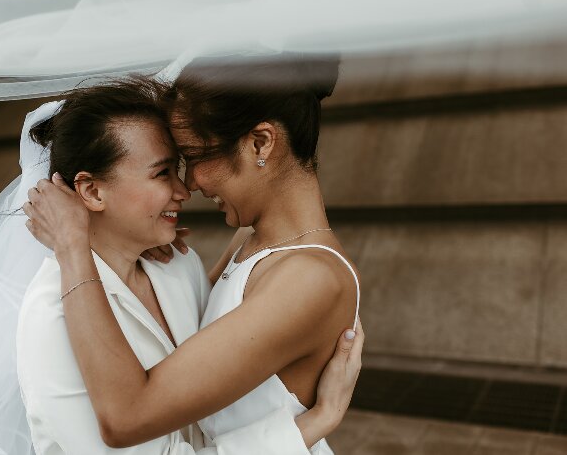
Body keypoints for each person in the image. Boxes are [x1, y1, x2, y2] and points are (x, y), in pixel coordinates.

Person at [24, 56, 361, 453]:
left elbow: (129, 415)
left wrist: (72, 246)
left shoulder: (309, 278)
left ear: (260, 143)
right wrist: (136, 235)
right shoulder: (244, 244)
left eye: (197, 157)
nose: (189, 184)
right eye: (167, 170)